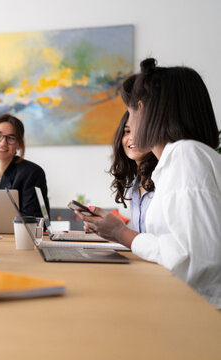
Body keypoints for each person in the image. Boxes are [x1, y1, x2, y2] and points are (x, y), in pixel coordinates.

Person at [76, 58, 221, 308]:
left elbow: (197, 259)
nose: (128, 123)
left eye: (131, 111)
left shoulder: (186, 156)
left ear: (142, 109)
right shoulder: (177, 160)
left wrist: (122, 233)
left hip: (198, 311)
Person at [109, 111, 157, 232]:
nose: (132, 138)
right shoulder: (135, 186)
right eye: (127, 131)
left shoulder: (163, 179)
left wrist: (118, 231)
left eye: (139, 130)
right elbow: (140, 242)